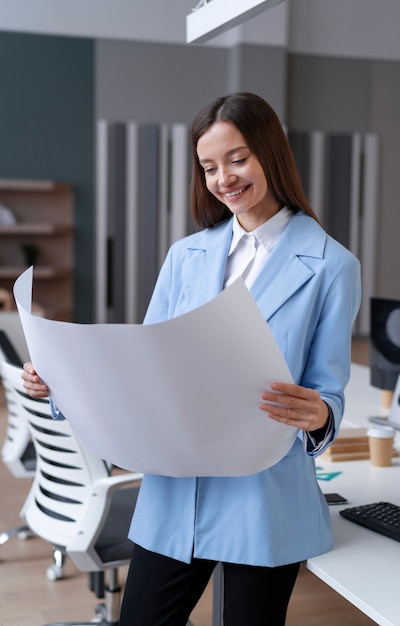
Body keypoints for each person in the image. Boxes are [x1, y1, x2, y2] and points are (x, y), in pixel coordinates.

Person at [22, 92, 361, 626]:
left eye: (237, 158)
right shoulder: (186, 256)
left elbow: (329, 390)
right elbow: (143, 365)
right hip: (177, 490)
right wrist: (60, 381)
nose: (223, 177)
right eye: (209, 166)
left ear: (270, 154)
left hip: (264, 497)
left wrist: (320, 414)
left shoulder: (331, 267)